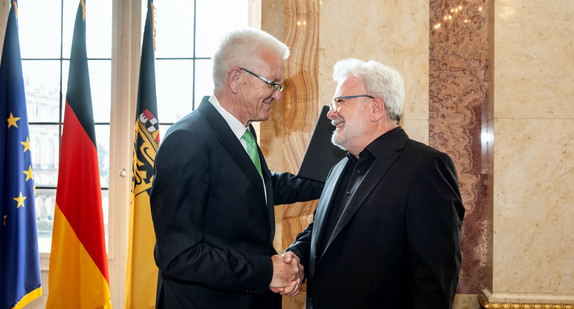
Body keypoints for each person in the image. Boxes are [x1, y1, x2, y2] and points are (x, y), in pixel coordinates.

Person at [149, 28, 322, 309]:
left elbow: (256, 186)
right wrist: (267, 271)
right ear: (236, 79)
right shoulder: (188, 140)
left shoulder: (242, 131)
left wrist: (327, 181)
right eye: (272, 83)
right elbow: (178, 256)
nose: (277, 96)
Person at [284, 58, 465, 308]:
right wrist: (295, 257)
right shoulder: (337, 168)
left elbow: (436, 279)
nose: (330, 112)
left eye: (340, 101)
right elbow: (322, 232)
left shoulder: (426, 167)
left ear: (376, 108)